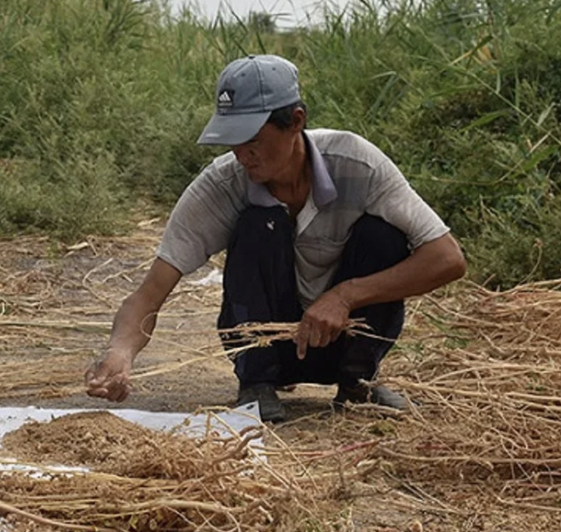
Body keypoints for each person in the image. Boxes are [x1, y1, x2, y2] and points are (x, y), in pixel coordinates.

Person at [86, 55, 466, 422]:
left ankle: (358, 383)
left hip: (346, 338)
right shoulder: (221, 186)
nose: (241, 156)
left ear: (295, 121)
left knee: (382, 236)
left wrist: (345, 295)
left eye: (251, 141)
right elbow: (148, 294)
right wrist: (120, 355)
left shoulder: (357, 164)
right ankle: (257, 383)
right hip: (268, 346)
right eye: (231, 142)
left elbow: (447, 258)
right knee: (256, 225)